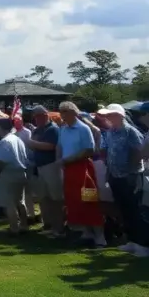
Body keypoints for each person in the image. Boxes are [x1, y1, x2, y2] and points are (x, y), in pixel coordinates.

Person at [98, 103, 147, 255]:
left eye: (111, 114)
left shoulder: (130, 131)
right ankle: (131, 240)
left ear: (120, 116)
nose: (108, 117)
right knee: (124, 210)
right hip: (115, 176)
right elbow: (108, 153)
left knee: (135, 210)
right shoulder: (111, 132)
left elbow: (137, 153)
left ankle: (143, 244)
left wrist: (129, 172)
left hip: (130, 176)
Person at [57, 101, 106, 247]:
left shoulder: (83, 129)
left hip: (83, 169)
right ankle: (86, 233)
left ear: (73, 112)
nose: (62, 114)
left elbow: (89, 150)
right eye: (61, 111)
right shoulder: (63, 129)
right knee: (74, 202)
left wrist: (69, 159)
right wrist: (60, 161)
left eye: (65, 111)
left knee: (89, 200)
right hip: (69, 170)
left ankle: (100, 236)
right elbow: (60, 146)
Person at [24, 105, 65, 237]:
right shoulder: (37, 130)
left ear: (45, 115)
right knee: (44, 198)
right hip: (39, 167)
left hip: (51, 165)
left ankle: (59, 227)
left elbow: (51, 146)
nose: (36, 119)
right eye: (35, 117)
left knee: (56, 198)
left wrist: (32, 143)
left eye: (38, 116)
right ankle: (48, 225)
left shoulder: (52, 129)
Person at [0, 118, 30, 234]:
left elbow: (1, 161)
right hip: (21, 172)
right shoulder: (17, 139)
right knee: (20, 201)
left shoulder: (4, 142)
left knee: (9, 203)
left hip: (8, 173)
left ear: (1, 127)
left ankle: (14, 228)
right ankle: (24, 225)